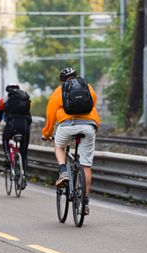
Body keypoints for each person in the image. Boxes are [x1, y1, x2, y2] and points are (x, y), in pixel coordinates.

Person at [42, 67, 100, 215]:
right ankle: (85, 202)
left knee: (59, 146)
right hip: (88, 125)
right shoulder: (87, 86)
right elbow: (93, 102)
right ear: (76, 76)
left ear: (62, 80)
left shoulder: (59, 91)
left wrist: (47, 133)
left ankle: (63, 172)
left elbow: (50, 114)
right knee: (85, 165)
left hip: (66, 126)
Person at [0, 84, 32, 189]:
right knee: (24, 152)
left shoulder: (4, 99)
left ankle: (7, 156)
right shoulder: (25, 97)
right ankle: (23, 178)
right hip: (25, 124)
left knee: (5, 139)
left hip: (12, 123)